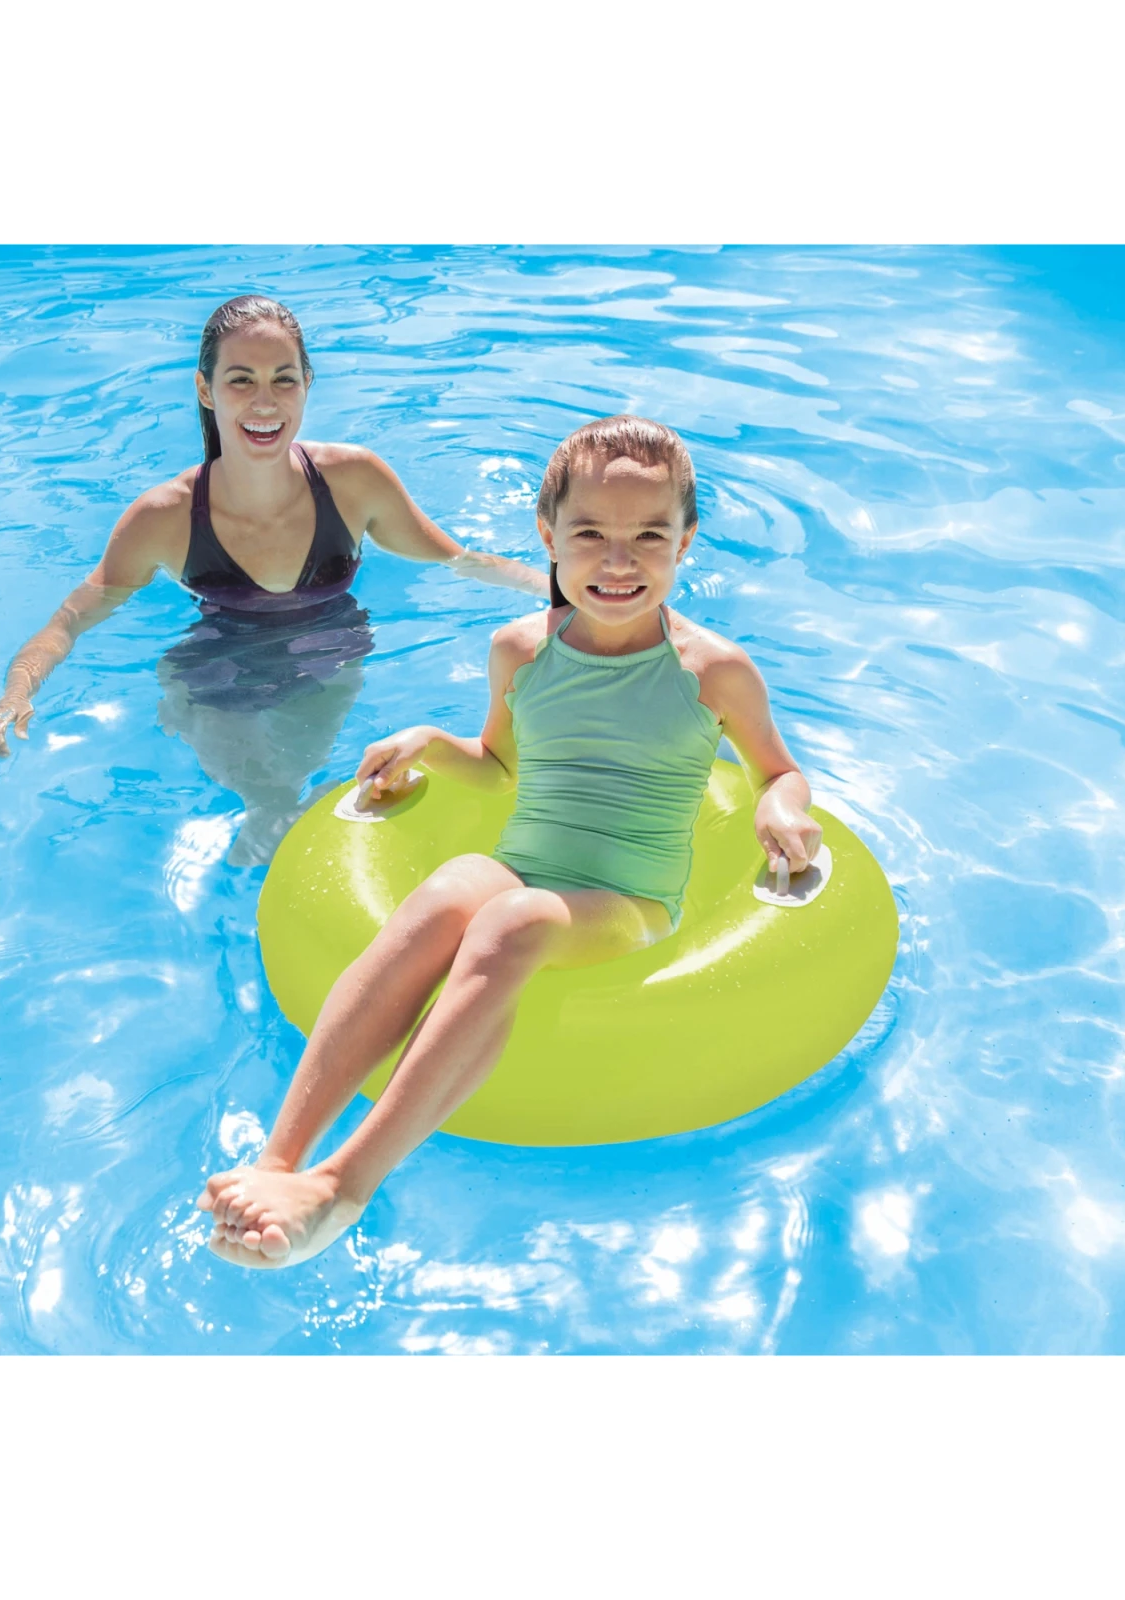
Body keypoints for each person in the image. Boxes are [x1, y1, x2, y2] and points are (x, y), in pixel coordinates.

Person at [198, 415, 824, 1267]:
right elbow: (498, 767)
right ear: (548, 535)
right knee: (452, 888)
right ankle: (278, 1161)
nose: (618, 562)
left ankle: (342, 1187)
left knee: (511, 920)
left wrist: (780, 808)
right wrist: (430, 743)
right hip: (527, 867)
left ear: (686, 542)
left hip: (629, 901)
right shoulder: (521, 651)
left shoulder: (712, 670)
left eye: (649, 537)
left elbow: (779, 771)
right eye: (590, 535)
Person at [0, 295, 545, 863]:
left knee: (290, 783)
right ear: (205, 389)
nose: (265, 403)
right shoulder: (164, 517)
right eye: (241, 380)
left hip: (330, 648)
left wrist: (561, 593)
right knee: (269, 793)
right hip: (218, 664)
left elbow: (459, 560)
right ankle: (260, 815)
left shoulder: (354, 480)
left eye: (283, 380)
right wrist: (16, 694)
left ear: (307, 384)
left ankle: (277, 832)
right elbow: (69, 621)